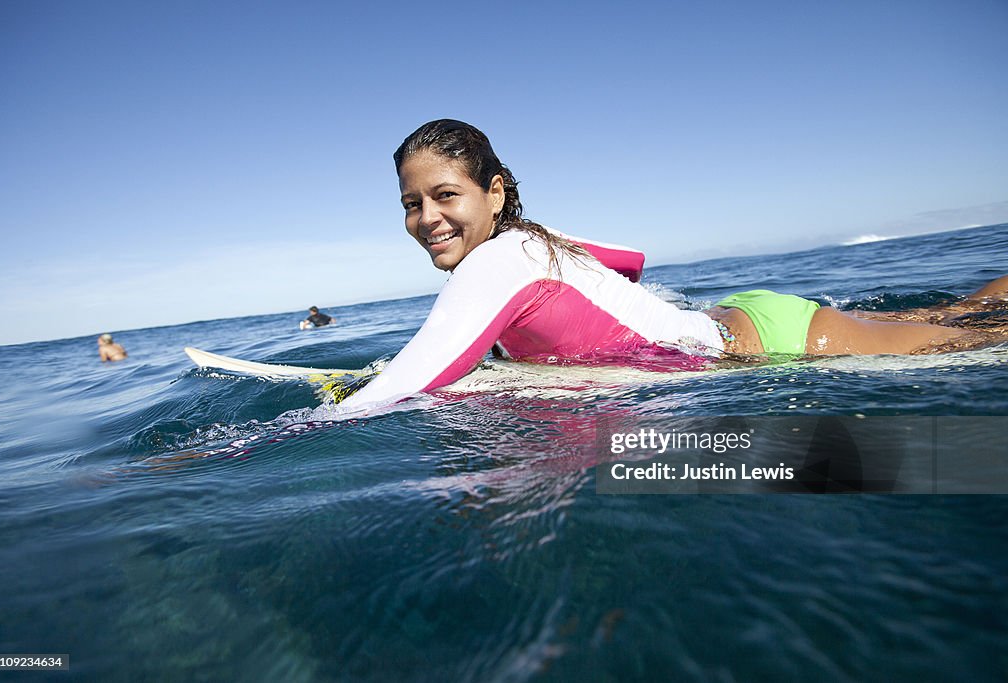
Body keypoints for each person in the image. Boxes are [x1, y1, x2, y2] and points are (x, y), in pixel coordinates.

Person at [335, 119, 1007, 410]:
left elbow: (403, 388)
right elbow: (628, 262)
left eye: (445, 195)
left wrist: (285, 428)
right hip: (742, 318)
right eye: (411, 203)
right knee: (959, 310)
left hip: (771, 343)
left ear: (495, 192)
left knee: (982, 341)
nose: (427, 218)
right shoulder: (536, 240)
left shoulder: (495, 265)